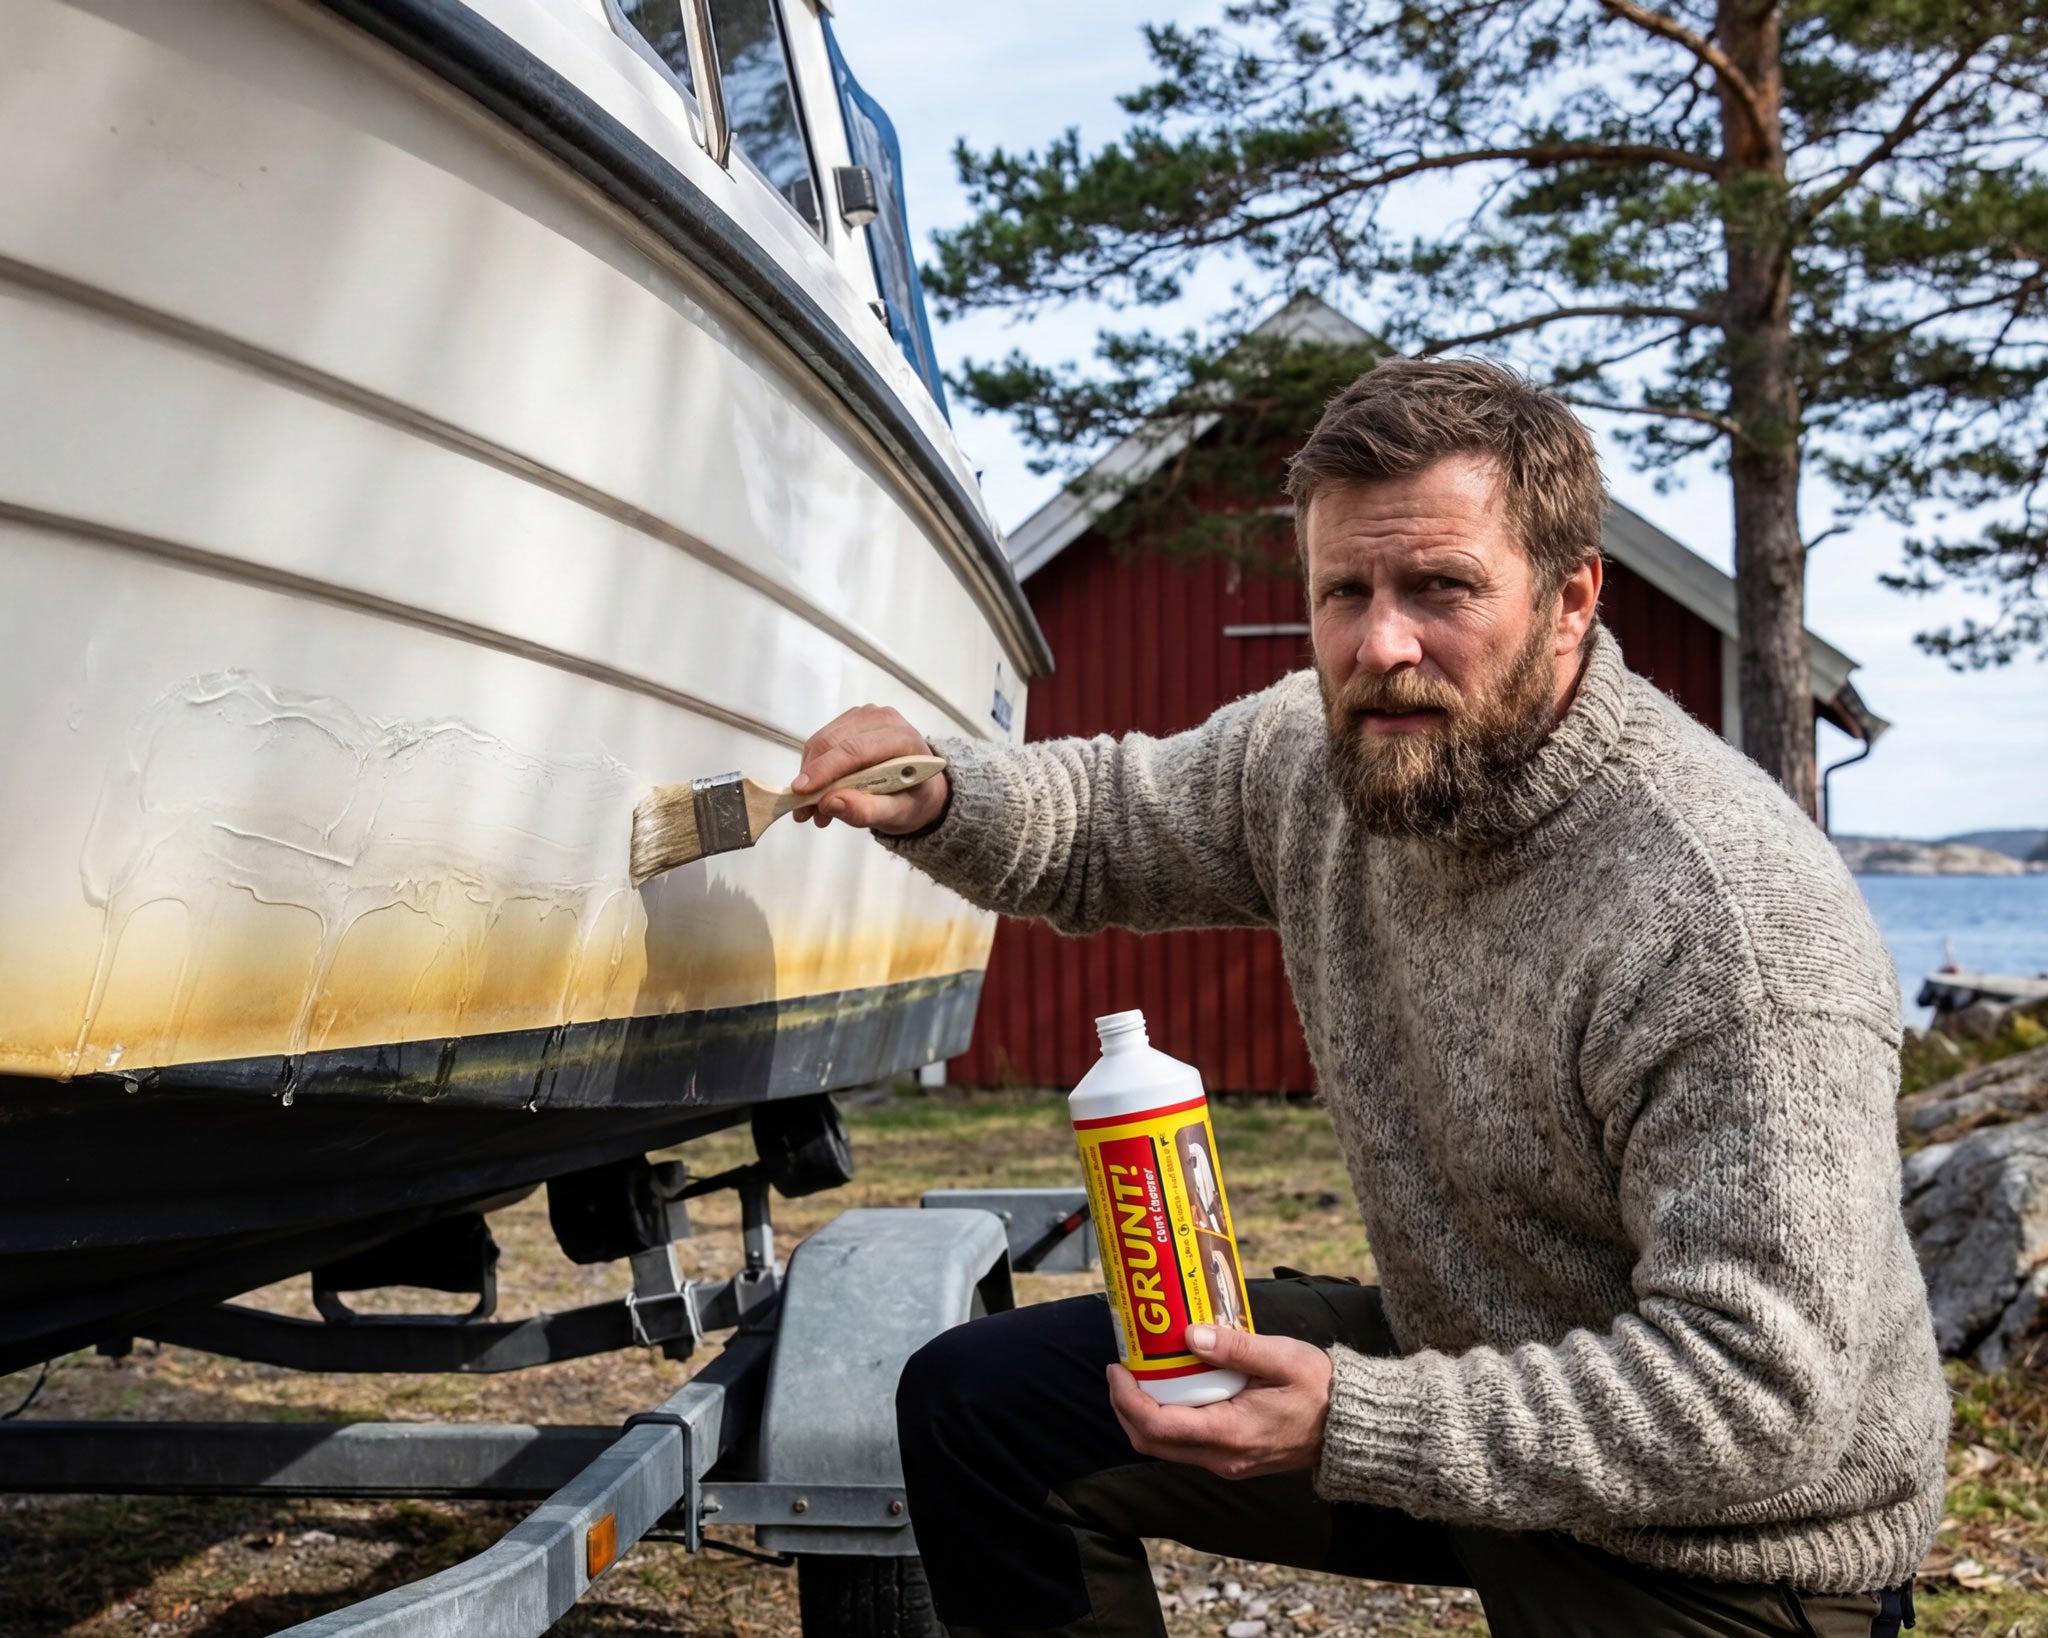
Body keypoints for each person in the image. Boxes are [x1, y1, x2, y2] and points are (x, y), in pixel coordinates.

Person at [789, 359, 1945, 1638]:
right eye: (1343, 592)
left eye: (1439, 589)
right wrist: (942, 793)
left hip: (1722, 1557)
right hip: (1471, 1389)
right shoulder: (1326, 757)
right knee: (987, 1405)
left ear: (1569, 602)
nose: (1378, 643)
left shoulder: (1726, 926)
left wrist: (1356, 1421)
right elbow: (1112, 816)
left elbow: (1757, 1397)